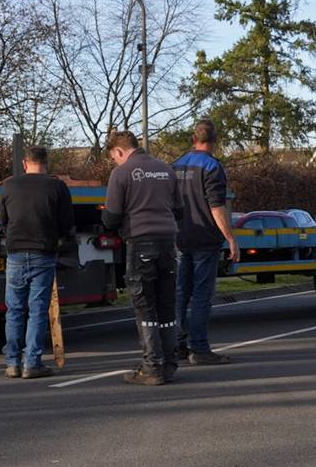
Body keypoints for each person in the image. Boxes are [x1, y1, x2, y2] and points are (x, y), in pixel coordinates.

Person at [102, 130, 183, 386]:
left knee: (145, 305)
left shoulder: (122, 173)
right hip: (168, 243)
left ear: (119, 151)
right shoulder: (166, 169)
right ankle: (169, 363)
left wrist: (114, 221)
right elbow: (179, 210)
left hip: (141, 244)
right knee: (167, 304)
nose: (115, 161)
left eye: (114, 157)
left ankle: (152, 366)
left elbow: (111, 217)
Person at [0, 146, 73, 379]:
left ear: (24, 163)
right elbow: (66, 222)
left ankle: (12, 362)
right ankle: (32, 362)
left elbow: (3, 220)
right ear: (46, 163)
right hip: (43, 252)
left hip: (15, 253)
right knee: (38, 309)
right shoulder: (57, 186)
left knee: (14, 310)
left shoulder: (9, 186)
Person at [173, 119, 239, 366]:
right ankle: (199, 348)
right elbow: (216, 205)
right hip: (205, 239)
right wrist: (230, 238)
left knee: (181, 293)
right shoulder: (212, 166)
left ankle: (178, 344)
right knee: (201, 295)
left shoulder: (176, 165)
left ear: (193, 139)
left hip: (180, 237)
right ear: (215, 140)